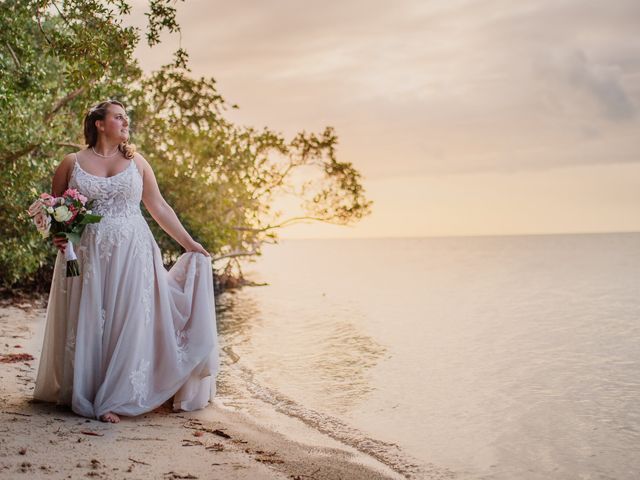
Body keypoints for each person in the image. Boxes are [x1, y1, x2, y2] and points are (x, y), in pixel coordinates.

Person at [33, 99, 220, 423]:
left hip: (133, 253)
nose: (126, 122)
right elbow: (57, 214)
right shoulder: (71, 163)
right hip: (87, 257)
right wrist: (58, 236)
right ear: (99, 124)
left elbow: (159, 207)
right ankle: (90, 389)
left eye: (126, 117)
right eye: (119, 117)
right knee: (92, 319)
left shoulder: (138, 162)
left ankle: (115, 398)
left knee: (128, 322)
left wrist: (190, 243)